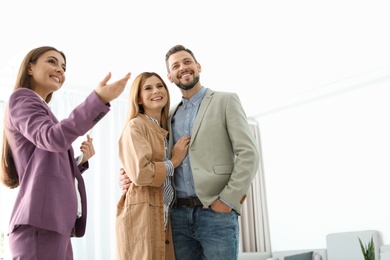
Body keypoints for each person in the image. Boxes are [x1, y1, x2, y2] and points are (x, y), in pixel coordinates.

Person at [120, 44, 260, 260]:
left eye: (187, 62)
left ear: (198, 66)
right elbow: (151, 157)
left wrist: (228, 201)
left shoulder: (226, 101)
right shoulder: (168, 115)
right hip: (177, 217)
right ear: (170, 76)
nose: (183, 68)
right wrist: (128, 175)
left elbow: (248, 154)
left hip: (216, 214)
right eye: (176, 66)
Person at [0, 46, 131, 260]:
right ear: (30, 67)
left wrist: (79, 161)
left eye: (63, 67)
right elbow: (53, 138)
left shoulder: (40, 109)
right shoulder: (23, 98)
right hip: (40, 223)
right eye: (52, 62)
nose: (60, 70)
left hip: (53, 223)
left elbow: (43, 162)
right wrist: (98, 99)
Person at [116, 72, 190, 260]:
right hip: (142, 214)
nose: (156, 91)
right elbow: (141, 173)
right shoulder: (136, 126)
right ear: (139, 98)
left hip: (164, 212)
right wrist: (174, 161)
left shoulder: (165, 128)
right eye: (148, 88)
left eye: (160, 86)